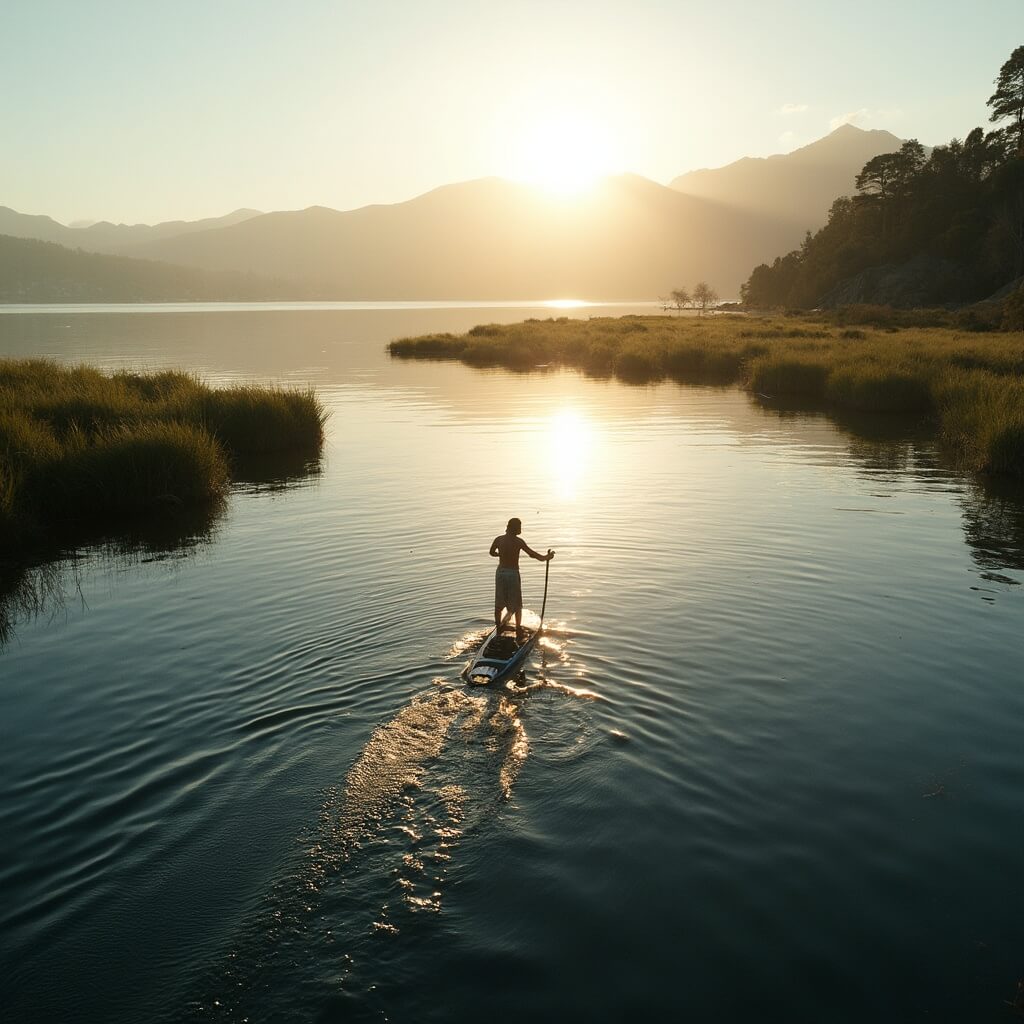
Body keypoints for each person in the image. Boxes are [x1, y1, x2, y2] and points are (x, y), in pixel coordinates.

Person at [489, 517, 554, 640]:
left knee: (499, 602)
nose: (520, 529)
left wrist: (500, 554)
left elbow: (491, 552)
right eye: (519, 527)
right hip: (513, 574)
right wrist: (546, 557)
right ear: (515, 528)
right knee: (517, 604)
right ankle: (518, 630)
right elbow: (532, 555)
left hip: (501, 573)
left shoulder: (498, 539)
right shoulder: (518, 542)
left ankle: (498, 627)